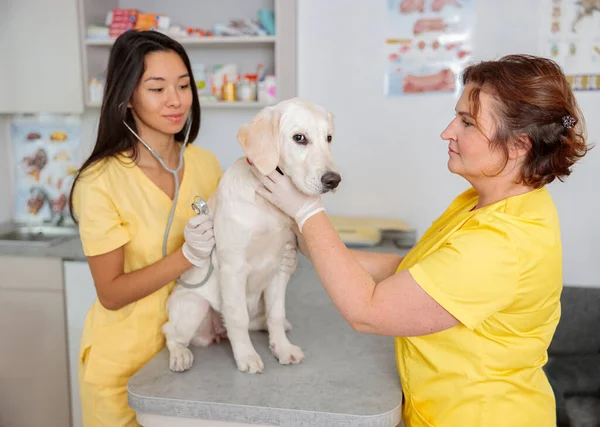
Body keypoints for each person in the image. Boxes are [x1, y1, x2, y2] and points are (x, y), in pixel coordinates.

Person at [251, 54, 592, 426]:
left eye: (467, 123)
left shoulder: (502, 244)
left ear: (519, 145)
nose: (448, 132)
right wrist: (310, 240)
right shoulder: (489, 203)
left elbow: (368, 311)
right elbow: (416, 274)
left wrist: (308, 213)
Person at [68, 30, 222, 426]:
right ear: (128, 96)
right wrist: (185, 257)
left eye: (184, 85)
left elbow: (223, 256)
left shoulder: (206, 165)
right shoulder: (100, 182)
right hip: (124, 368)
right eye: (157, 88)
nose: (176, 99)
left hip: (191, 355)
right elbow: (111, 293)